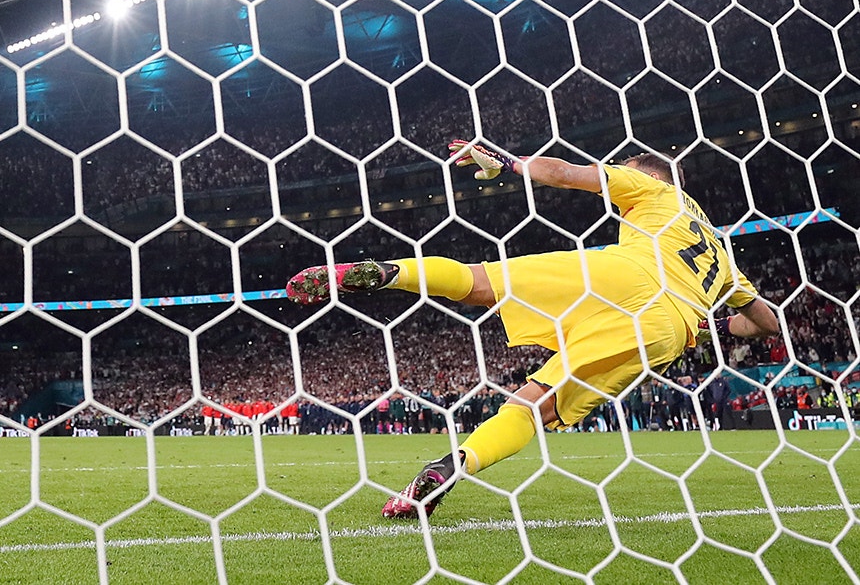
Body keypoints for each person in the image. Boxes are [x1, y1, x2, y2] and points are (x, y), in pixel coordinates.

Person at [286, 143, 781, 519]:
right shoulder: (722, 253)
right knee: (531, 407)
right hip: (667, 330)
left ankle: (388, 273)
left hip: (625, 275)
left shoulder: (655, 188)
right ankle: (451, 467)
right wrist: (717, 322)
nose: (619, 177)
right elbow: (765, 322)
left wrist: (510, 163)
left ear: (649, 174)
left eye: (625, 170)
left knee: (479, 282)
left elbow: (566, 173)